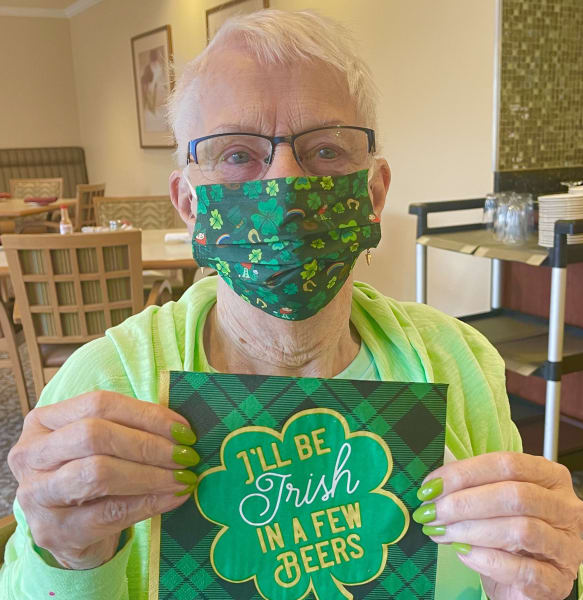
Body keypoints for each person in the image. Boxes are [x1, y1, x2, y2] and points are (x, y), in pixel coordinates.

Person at [1, 9, 582, 600]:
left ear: (374, 193)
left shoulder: (459, 361)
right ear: (189, 202)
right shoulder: (105, 384)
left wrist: (543, 582)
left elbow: (523, 573)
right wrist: (68, 556)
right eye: (236, 155)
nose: (283, 184)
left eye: (325, 150)